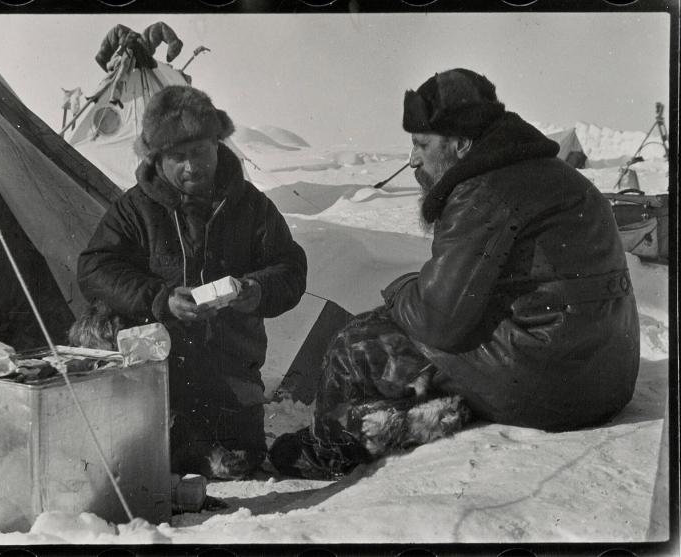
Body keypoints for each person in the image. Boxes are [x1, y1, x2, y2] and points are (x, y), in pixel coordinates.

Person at [270, 68, 639, 479]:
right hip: (606, 377)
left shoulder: (483, 192)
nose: (413, 159)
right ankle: (425, 413)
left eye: (421, 144)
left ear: (462, 145)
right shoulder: (556, 174)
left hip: (551, 386)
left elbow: (437, 320)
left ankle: (328, 452)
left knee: (354, 342)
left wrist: (399, 290)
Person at [76, 85, 307, 480]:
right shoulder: (135, 208)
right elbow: (94, 268)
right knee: (148, 461)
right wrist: (160, 299)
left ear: (218, 145)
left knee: (237, 464)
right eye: (177, 157)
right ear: (156, 157)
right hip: (160, 373)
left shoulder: (251, 206)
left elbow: (290, 267)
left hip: (229, 370)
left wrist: (257, 291)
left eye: (200, 152)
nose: (191, 167)